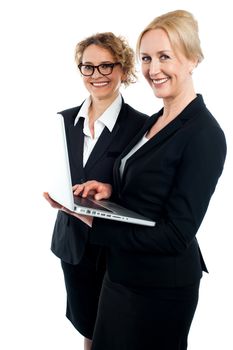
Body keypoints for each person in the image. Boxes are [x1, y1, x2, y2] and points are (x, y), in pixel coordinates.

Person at [72, 10, 227, 350]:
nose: (153, 69)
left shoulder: (205, 134)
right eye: (146, 58)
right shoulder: (157, 119)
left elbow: (176, 234)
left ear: (193, 59)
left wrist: (95, 224)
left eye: (164, 57)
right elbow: (149, 185)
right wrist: (110, 189)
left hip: (159, 290)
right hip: (123, 274)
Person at [43, 32, 148, 350]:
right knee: (89, 327)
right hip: (74, 244)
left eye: (106, 66)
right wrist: (56, 193)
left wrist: (111, 190)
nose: (96, 75)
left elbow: (149, 190)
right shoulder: (62, 121)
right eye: (88, 67)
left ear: (123, 69)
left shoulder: (143, 126)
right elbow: (55, 170)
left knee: (124, 331)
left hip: (119, 247)